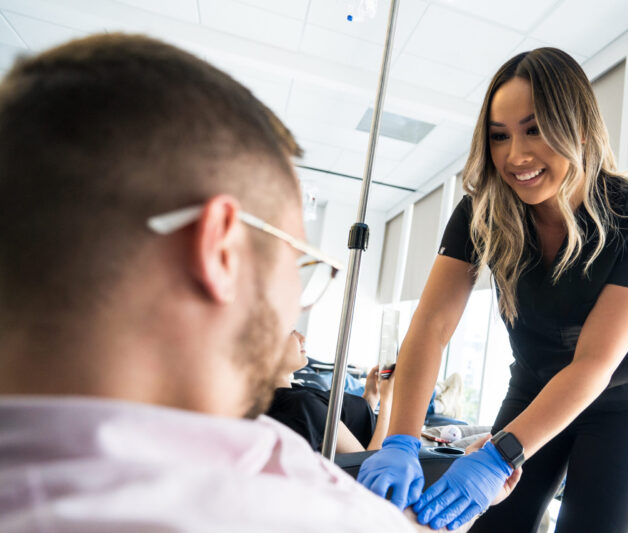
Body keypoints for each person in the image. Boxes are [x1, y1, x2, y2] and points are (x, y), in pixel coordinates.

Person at [0, 33, 519, 533]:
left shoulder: (239, 439)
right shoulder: (234, 508)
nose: (295, 300)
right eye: (297, 260)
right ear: (221, 251)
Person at [357, 47, 628, 533]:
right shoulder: (480, 213)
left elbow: (593, 362)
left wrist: (497, 457)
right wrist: (399, 439)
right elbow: (431, 326)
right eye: (499, 136)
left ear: (579, 128)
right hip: (533, 387)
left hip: (623, 404)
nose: (516, 155)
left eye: (535, 129)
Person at [267, 330, 395, 453]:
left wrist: (371, 396)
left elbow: (349, 435)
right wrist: (387, 401)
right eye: (291, 332)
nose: (301, 337)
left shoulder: (291, 395)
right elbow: (366, 463)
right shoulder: (300, 404)